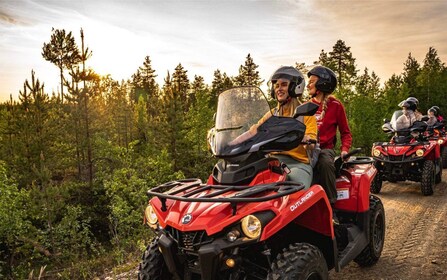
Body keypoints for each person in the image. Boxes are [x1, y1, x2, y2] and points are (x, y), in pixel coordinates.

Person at [230, 66, 317, 189]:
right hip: (272, 163)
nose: (279, 89)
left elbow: (312, 142)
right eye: (276, 86)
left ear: (294, 87)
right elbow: (252, 132)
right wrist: (229, 145)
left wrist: (305, 139)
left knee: (296, 189)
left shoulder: (305, 114)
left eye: (283, 85)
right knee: (247, 186)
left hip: (297, 164)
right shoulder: (272, 114)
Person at [307, 65, 352, 206]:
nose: (308, 85)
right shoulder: (305, 106)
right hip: (307, 149)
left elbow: (346, 133)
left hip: (325, 149)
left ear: (322, 83)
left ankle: (331, 206)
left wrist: (345, 149)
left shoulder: (336, 106)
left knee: (325, 163)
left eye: (312, 81)